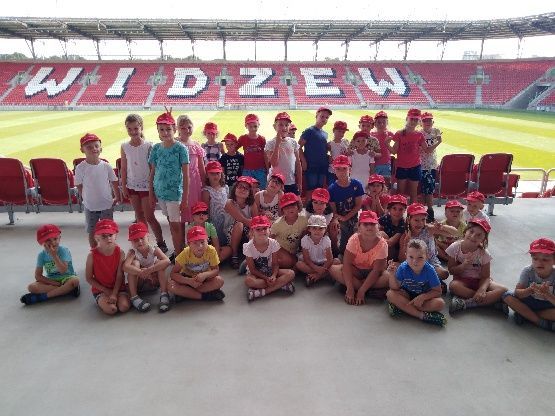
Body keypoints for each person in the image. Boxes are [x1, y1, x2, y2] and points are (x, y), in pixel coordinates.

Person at [120, 114, 167, 252]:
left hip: (146, 187)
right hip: (132, 185)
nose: (133, 132)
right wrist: (124, 186)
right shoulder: (124, 146)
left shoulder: (148, 146)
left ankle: (161, 242)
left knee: (149, 216)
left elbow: (153, 168)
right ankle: (144, 243)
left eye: (136, 128)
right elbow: (124, 168)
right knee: (139, 216)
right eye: (130, 129)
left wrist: (152, 188)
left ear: (141, 127)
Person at [148, 110, 190, 259]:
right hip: (160, 192)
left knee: (175, 225)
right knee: (171, 223)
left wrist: (184, 199)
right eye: (161, 130)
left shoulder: (181, 149)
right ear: (158, 131)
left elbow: (186, 175)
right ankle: (178, 251)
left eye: (168, 129)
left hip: (174, 194)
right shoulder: (156, 148)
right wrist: (151, 193)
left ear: (174, 129)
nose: (165, 133)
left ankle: (179, 257)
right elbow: (152, 172)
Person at [447, 219, 508, 314]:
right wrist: (463, 265)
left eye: (479, 235)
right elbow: (451, 270)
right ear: (465, 231)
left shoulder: (484, 254)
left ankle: (466, 303)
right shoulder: (455, 247)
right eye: (471, 231)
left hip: (480, 281)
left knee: (504, 290)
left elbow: (486, 277)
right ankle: (491, 301)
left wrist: (481, 289)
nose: (473, 236)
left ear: (484, 239)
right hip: (462, 281)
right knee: (453, 286)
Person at [329, 210, 389, 305]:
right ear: (359, 226)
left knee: (388, 277)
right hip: (356, 270)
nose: (369, 227)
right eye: (365, 224)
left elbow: (376, 271)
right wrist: (350, 288)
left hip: (372, 273)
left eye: (372, 224)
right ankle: (368, 290)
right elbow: (347, 264)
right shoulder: (354, 239)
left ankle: (358, 288)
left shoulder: (383, 244)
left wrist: (361, 291)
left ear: (378, 227)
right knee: (333, 269)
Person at [385, 239, 447, 327]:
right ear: (406, 256)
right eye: (411, 257)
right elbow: (395, 288)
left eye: (420, 257)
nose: (415, 261)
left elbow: (438, 291)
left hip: (423, 298)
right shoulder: (403, 268)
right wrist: (392, 274)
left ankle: (403, 307)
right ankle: (421, 315)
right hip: (407, 294)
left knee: (440, 303)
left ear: (427, 257)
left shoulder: (430, 270)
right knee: (390, 294)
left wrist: (423, 297)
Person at [75, 133, 121, 248]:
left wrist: (117, 196)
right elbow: (79, 185)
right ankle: (94, 252)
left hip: (106, 204)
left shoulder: (106, 166)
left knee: (109, 230)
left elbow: (114, 181)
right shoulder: (80, 168)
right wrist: (85, 197)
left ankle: (109, 250)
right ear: (82, 150)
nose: (94, 149)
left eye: (96, 146)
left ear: (101, 148)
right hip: (90, 206)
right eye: (89, 147)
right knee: (92, 231)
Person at [502, 238, 555, 331]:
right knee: (507, 296)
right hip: (529, 302)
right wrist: (529, 290)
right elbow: (517, 293)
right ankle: (539, 322)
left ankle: (525, 314)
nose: (539, 262)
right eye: (535, 259)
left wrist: (547, 295)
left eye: (545, 259)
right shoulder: (528, 271)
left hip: (547, 306)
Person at [20, 224, 80, 305]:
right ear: (42, 242)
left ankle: (44, 296)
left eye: (55, 239)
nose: (53, 243)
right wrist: (56, 283)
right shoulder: (41, 255)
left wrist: (54, 255)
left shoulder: (64, 251)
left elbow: (63, 271)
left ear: (59, 238)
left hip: (67, 277)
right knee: (31, 287)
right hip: (52, 280)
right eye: (48, 240)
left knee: (75, 281)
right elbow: (38, 276)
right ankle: (66, 290)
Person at [399, 203, 456, 284]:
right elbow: (401, 259)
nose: (420, 223)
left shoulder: (429, 229)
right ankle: (427, 281)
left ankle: (421, 280)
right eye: (416, 220)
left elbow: (454, 233)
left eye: (423, 220)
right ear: (408, 220)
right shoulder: (405, 236)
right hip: (414, 264)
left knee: (444, 274)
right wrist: (405, 244)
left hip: (431, 262)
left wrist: (442, 227)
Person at [244, 215, 295, 301]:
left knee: (291, 273)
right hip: (257, 273)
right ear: (252, 231)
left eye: (265, 228)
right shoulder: (248, 247)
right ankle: (281, 285)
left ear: (269, 230)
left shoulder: (273, 243)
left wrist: (274, 276)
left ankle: (261, 292)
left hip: (270, 271)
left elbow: (275, 264)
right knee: (249, 281)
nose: (262, 231)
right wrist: (266, 278)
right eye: (258, 229)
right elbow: (252, 269)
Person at [123, 222, 171, 313]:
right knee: (135, 263)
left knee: (159, 263)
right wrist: (140, 272)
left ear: (148, 237)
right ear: (131, 242)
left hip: (153, 281)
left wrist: (150, 270)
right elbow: (125, 267)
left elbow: (167, 261)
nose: (140, 241)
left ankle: (164, 294)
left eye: (142, 238)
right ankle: (134, 297)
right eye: (136, 240)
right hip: (139, 283)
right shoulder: (132, 252)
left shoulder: (153, 248)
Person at [168, 226, 225, 302]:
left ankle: (187, 293)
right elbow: (173, 274)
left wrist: (205, 275)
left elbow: (216, 270)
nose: (200, 246)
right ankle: (205, 296)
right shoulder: (185, 253)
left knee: (219, 281)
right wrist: (189, 281)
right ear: (189, 244)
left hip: (204, 279)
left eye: (202, 242)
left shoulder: (211, 250)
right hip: (187, 278)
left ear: (207, 241)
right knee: (170, 285)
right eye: (195, 243)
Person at [85, 219, 130, 315]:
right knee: (111, 309)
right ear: (97, 238)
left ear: (115, 235)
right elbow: (89, 278)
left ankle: (122, 296)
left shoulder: (120, 252)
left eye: (110, 235)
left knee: (124, 307)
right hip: (101, 290)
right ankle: (103, 299)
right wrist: (106, 290)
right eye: (104, 236)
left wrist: (114, 293)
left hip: (118, 288)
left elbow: (120, 275)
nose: (108, 238)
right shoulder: (92, 255)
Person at [388, 108, 426, 204]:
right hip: (402, 166)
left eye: (416, 119)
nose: (413, 121)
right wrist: (387, 144)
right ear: (407, 119)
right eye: (411, 119)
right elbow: (394, 151)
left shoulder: (419, 134)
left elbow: (427, 149)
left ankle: (413, 211)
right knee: (400, 193)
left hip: (415, 166)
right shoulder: (399, 133)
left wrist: (437, 141)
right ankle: (399, 211)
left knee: (414, 193)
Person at [328, 155, 364, 255]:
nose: (341, 172)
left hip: (353, 216)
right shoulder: (332, 189)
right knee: (334, 228)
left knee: (359, 236)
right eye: (338, 169)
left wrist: (346, 217)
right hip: (339, 218)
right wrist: (337, 219)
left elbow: (358, 205)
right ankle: (335, 249)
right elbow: (333, 210)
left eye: (344, 168)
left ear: (350, 169)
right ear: (334, 171)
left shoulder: (357, 184)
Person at [176, 114, 206, 223]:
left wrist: (204, 183)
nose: (187, 130)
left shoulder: (196, 145)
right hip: (180, 181)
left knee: (194, 207)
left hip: (194, 182)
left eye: (189, 127)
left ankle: (193, 230)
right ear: (178, 129)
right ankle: (181, 232)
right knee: (181, 209)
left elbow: (201, 167)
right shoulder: (175, 144)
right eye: (183, 128)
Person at [223, 176, 257, 268]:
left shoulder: (252, 204)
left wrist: (253, 228)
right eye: (240, 186)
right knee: (240, 224)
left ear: (249, 192)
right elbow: (242, 219)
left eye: (246, 188)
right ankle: (234, 255)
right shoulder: (229, 202)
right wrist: (252, 224)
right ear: (235, 188)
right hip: (230, 234)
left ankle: (250, 259)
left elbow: (256, 222)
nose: (242, 189)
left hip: (246, 233)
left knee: (256, 229)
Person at [265, 112, 302, 195]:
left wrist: (300, 183)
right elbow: (274, 163)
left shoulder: (293, 142)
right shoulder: (270, 143)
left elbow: (298, 164)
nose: (284, 127)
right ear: (275, 126)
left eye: (286, 125)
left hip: (290, 181)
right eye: (280, 125)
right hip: (275, 183)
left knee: (294, 202)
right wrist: (277, 143)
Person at [299, 107, 332, 200]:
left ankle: (316, 207)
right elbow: (298, 147)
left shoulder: (325, 134)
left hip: (322, 165)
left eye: (326, 117)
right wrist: (303, 161)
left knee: (319, 189)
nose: (324, 119)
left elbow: (322, 148)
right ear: (316, 116)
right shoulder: (309, 131)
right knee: (311, 189)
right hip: (311, 165)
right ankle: (308, 207)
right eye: (322, 116)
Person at [271, 192, 308, 268]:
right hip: (280, 248)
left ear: (298, 206)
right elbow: (270, 240)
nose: (290, 209)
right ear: (282, 210)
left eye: (293, 206)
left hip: (294, 250)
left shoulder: (304, 220)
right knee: (288, 261)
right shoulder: (277, 224)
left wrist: (302, 249)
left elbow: (304, 235)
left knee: (298, 261)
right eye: (286, 207)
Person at [297, 215, 336, 287]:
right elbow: (306, 259)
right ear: (309, 229)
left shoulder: (326, 240)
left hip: (324, 263)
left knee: (337, 261)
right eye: (314, 228)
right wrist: (316, 268)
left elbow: (330, 259)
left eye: (321, 228)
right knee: (299, 264)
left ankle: (316, 277)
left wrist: (321, 271)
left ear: (325, 230)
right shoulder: (305, 240)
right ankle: (327, 274)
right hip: (311, 264)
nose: (317, 231)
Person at [419, 112, 442, 222]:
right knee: (425, 190)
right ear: (421, 123)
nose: (427, 122)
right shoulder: (419, 134)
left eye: (429, 120)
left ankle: (427, 212)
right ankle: (428, 211)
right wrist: (438, 142)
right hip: (422, 165)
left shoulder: (436, 131)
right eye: (425, 120)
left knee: (429, 189)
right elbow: (427, 150)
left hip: (432, 165)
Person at [304, 187, 339, 256]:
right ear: (312, 203)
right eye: (315, 202)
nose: (318, 206)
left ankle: (334, 249)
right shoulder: (308, 211)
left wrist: (335, 220)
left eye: (322, 203)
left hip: (323, 229)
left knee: (334, 228)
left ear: (326, 205)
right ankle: (304, 248)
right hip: (312, 229)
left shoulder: (329, 214)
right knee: (304, 230)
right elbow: (309, 227)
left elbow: (323, 229)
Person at [201, 161, 229, 244]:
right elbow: (206, 210)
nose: (215, 176)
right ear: (207, 175)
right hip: (214, 222)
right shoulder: (207, 191)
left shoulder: (225, 188)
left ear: (221, 174)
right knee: (216, 241)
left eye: (217, 173)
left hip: (226, 220)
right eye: (212, 173)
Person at [238, 113, 267, 189]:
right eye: (250, 126)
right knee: (246, 188)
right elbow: (234, 149)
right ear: (246, 126)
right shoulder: (243, 138)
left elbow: (265, 154)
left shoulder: (262, 139)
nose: (253, 129)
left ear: (258, 125)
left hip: (260, 169)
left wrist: (267, 168)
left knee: (262, 188)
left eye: (255, 126)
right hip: (247, 169)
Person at [378, 194, 408, 262]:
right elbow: (375, 226)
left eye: (400, 209)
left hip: (394, 252)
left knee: (381, 234)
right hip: (383, 247)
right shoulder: (385, 218)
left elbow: (391, 243)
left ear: (404, 211)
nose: (397, 212)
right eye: (394, 208)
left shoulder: (403, 224)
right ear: (389, 209)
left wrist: (374, 238)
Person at [371, 110, 394, 185]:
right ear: (375, 124)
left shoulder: (389, 134)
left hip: (386, 163)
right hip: (374, 164)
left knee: (386, 184)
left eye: (384, 122)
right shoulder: (371, 135)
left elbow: (399, 142)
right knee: (374, 184)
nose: (381, 124)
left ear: (387, 123)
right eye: (379, 122)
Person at [327, 120, 350, 185]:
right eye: (339, 131)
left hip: (344, 170)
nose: (341, 134)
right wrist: (328, 157)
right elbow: (324, 153)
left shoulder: (346, 142)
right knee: (332, 187)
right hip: (333, 170)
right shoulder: (330, 144)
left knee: (344, 186)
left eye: (343, 132)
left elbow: (349, 153)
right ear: (333, 130)